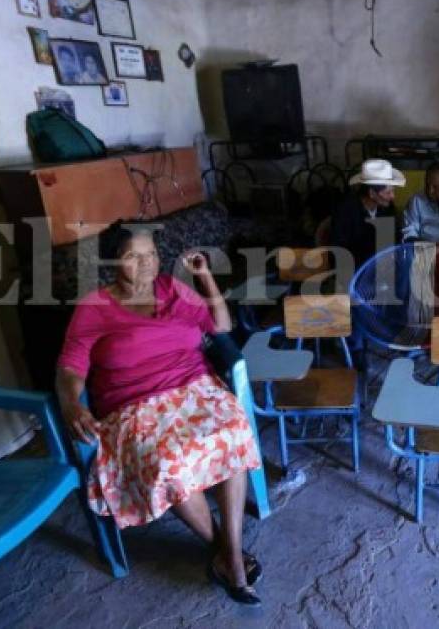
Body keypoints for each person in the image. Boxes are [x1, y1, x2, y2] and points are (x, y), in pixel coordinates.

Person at [56, 222, 264, 606]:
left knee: (232, 429)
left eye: (151, 254)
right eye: (134, 256)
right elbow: (71, 366)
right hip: (132, 403)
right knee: (168, 460)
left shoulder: (173, 289)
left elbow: (221, 325)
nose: (147, 264)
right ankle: (228, 554)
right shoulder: (94, 308)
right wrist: (71, 402)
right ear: (112, 261)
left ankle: (229, 554)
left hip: (193, 387)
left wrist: (204, 278)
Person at [329, 158, 403, 267]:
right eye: (388, 192)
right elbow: (341, 252)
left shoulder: (387, 208)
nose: (393, 196)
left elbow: (395, 238)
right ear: (372, 193)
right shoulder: (346, 211)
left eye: (393, 191)